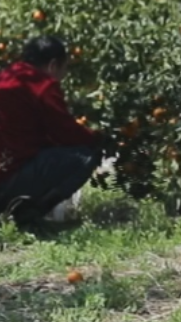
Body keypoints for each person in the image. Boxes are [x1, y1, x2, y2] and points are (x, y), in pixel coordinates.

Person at [0, 35, 104, 227]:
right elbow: (65, 133)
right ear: (53, 65)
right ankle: (29, 213)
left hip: (5, 168)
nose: (63, 75)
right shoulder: (41, 85)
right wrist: (96, 137)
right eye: (64, 68)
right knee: (87, 156)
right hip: (11, 177)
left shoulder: (8, 76)